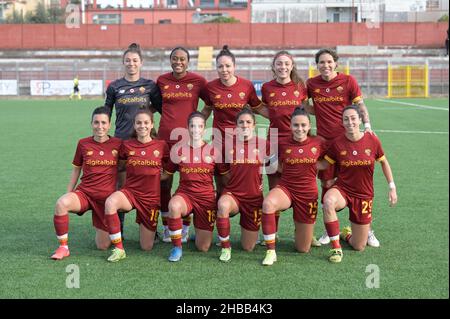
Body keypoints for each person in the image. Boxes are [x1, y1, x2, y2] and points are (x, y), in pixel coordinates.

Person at [305, 48, 379, 247]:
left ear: (335, 63)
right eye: (321, 62)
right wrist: (315, 111)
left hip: (348, 142)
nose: (325, 65)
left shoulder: (348, 81)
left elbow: (360, 106)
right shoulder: (311, 84)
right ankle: (330, 231)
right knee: (327, 185)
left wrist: (368, 126)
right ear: (316, 65)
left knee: (359, 185)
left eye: (329, 62)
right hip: (325, 144)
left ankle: (367, 229)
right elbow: (308, 107)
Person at [320, 105, 397, 263]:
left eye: (353, 118)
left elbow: (384, 162)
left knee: (359, 246)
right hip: (342, 189)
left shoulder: (372, 139)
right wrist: (301, 162)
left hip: (363, 194)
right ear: (342, 123)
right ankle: (336, 248)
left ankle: (346, 234)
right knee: (327, 201)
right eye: (346, 119)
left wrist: (392, 187)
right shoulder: (337, 143)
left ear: (360, 120)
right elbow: (323, 165)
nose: (350, 122)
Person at [104, 43, 163, 238]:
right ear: (123, 62)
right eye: (128, 60)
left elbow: (162, 109)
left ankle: (149, 227)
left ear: (141, 62)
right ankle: (118, 228)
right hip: (121, 142)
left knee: (147, 185)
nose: (131, 63)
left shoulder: (150, 86)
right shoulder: (114, 87)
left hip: (146, 142)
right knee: (120, 185)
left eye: (135, 60)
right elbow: (106, 113)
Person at [50, 106, 121, 260]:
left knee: (102, 246)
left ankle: (102, 224)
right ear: (91, 124)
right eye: (96, 122)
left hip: (105, 200)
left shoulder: (118, 144)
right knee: (61, 203)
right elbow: (76, 170)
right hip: (85, 194)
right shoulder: (83, 143)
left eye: (103, 123)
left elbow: (124, 170)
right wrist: (69, 192)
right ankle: (63, 247)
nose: (100, 126)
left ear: (109, 125)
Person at [256, 50, 312, 245]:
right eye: (279, 64)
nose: (283, 67)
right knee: (274, 186)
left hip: (297, 142)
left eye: (286, 64)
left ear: (292, 66)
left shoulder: (299, 86)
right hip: (273, 141)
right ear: (274, 67)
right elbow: (262, 108)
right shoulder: (266, 87)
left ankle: (305, 231)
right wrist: (274, 116)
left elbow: (304, 109)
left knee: (302, 186)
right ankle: (273, 233)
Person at [260, 108, 326, 266]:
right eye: (296, 125)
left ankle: (303, 231)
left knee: (303, 248)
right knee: (268, 204)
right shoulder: (282, 143)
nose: (300, 129)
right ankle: (271, 251)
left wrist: (314, 167)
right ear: (290, 126)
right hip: (286, 188)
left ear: (309, 126)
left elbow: (329, 160)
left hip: (308, 193)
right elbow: (275, 165)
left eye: (303, 125)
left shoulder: (319, 142)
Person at [157, 47, 208, 244]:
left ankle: (185, 227)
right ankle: (167, 226)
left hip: (189, 141)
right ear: (170, 60)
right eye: (174, 58)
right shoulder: (162, 81)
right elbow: (154, 104)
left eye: (182, 59)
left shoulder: (198, 81)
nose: (178, 62)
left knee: (189, 183)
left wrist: (199, 120)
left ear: (188, 61)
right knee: (164, 184)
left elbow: (210, 103)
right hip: (165, 140)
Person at [103, 109, 169, 262]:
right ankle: (119, 249)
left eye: (146, 123)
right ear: (134, 125)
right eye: (139, 123)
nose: (142, 126)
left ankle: (144, 223)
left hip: (150, 199)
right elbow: (119, 166)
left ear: (152, 125)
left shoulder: (161, 145)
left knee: (146, 247)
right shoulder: (127, 145)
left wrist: (162, 176)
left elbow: (170, 168)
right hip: (130, 193)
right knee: (111, 202)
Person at [201, 45, 262, 196]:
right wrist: (195, 125)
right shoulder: (210, 87)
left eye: (228, 66)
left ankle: (248, 211)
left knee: (246, 181)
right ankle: (221, 215)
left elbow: (258, 108)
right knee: (222, 184)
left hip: (242, 142)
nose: (224, 69)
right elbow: (207, 109)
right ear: (216, 68)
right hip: (219, 142)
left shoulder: (246, 85)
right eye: (220, 66)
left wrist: (280, 115)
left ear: (234, 66)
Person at [163, 112, 225, 262]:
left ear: (204, 128)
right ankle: (177, 247)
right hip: (185, 195)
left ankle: (197, 230)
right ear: (187, 128)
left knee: (203, 247)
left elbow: (224, 177)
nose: (195, 129)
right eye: (192, 126)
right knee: (174, 205)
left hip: (206, 199)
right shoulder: (178, 150)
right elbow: (166, 174)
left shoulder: (213, 151)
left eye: (199, 126)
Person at [216, 108, 266, 262]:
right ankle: (225, 247)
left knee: (248, 247)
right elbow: (223, 172)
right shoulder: (227, 145)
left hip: (254, 198)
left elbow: (275, 167)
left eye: (248, 122)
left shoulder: (265, 144)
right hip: (234, 195)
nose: (245, 125)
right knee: (223, 205)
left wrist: (258, 183)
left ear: (254, 125)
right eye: (241, 122)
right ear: (236, 125)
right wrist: (236, 184)